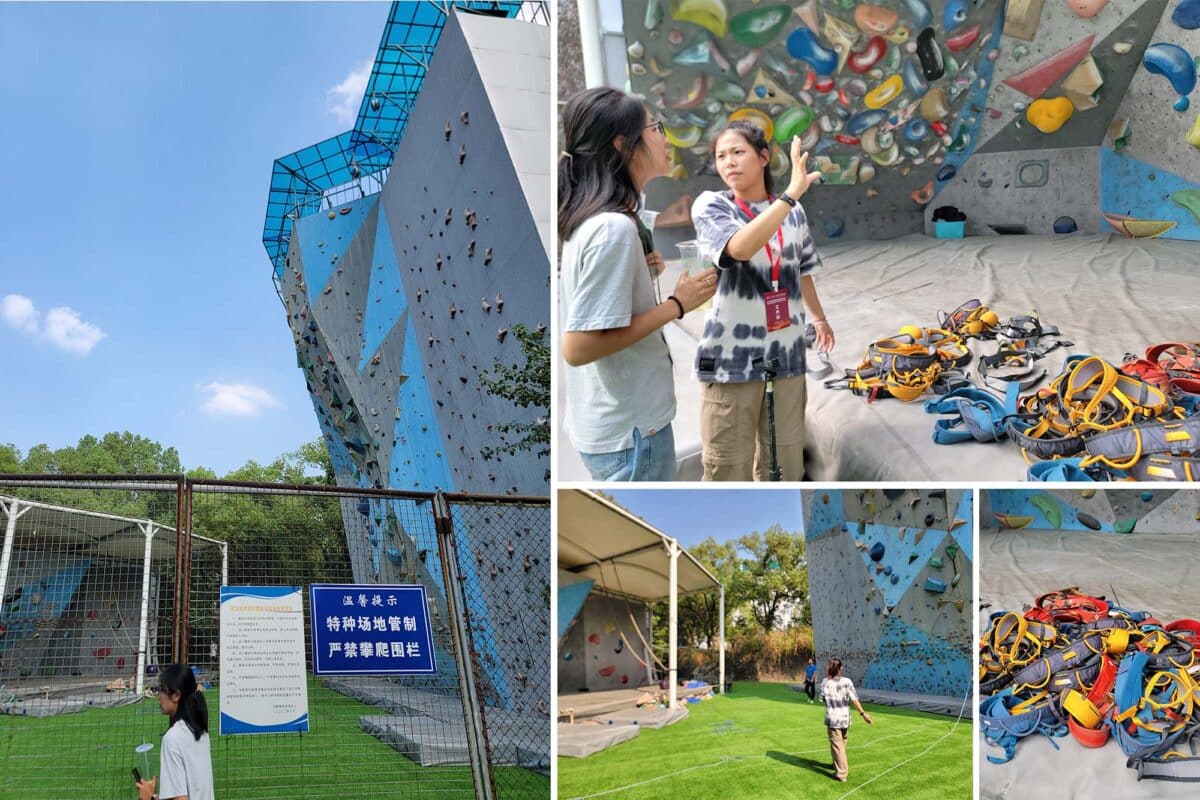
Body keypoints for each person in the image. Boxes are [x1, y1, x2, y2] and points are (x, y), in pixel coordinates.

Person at [559, 86, 717, 481]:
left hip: (619, 429)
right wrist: (677, 305)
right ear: (624, 145)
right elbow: (578, 346)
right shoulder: (612, 228)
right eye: (655, 128)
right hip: (633, 437)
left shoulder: (603, 220)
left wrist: (641, 274)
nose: (664, 138)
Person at [691, 122, 833, 481]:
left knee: (783, 468)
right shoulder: (711, 205)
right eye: (721, 156)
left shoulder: (794, 214)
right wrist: (789, 196)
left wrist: (819, 319)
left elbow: (801, 271)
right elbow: (738, 248)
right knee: (727, 470)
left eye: (738, 152)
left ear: (764, 157)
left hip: (785, 356)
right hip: (731, 361)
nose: (728, 162)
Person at [137, 664, 214, 800]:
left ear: (176, 695)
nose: (157, 695)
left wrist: (148, 798)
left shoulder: (173, 739)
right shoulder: (201, 732)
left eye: (161, 689)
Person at [818, 657, 873, 782]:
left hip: (833, 719)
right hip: (845, 719)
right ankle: (836, 763)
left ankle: (842, 774)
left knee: (837, 746)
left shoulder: (825, 682)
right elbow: (854, 699)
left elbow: (822, 699)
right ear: (840, 668)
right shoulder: (847, 681)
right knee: (841, 743)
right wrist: (863, 714)